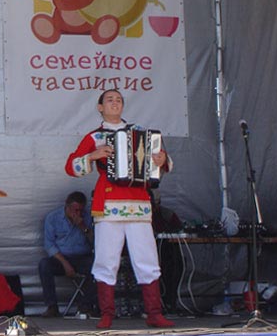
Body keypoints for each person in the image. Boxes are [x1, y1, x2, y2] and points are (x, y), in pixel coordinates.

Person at [64, 89, 175, 329]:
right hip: (108, 204)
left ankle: (154, 313)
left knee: (147, 258)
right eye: (109, 100)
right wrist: (93, 156)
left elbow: (164, 161)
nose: (115, 103)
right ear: (100, 107)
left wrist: (162, 160)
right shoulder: (94, 137)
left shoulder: (140, 132)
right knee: (106, 259)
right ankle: (107, 314)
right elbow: (71, 167)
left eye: (119, 100)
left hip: (138, 203)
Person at [38, 191, 97, 317]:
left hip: (82, 257)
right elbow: (49, 245)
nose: (78, 213)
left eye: (80, 210)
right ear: (67, 206)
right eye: (75, 210)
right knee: (44, 265)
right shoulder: (53, 218)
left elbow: (95, 242)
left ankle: (86, 304)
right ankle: (52, 306)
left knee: (98, 267)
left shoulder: (88, 217)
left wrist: (83, 227)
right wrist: (65, 264)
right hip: (61, 258)